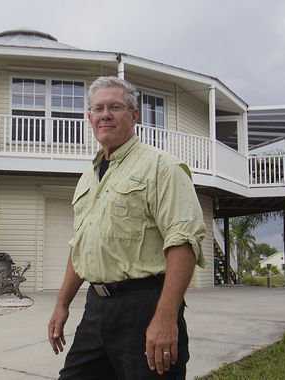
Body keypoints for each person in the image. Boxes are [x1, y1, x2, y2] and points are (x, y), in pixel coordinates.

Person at [47, 76, 206, 379]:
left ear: (134, 115)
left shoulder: (162, 167)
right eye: (98, 108)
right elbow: (81, 245)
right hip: (96, 310)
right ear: (89, 118)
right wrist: (61, 304)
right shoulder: (88, 177)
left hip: (145, 307)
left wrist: (166, 316)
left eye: (115, 107)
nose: (105, 114)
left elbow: (183, 242)